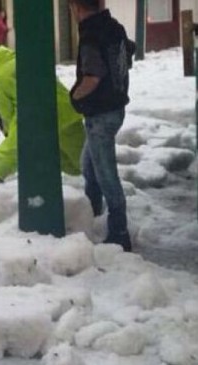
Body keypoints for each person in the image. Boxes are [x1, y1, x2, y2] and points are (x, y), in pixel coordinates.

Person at [69, 0, 135, 252]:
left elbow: (93, 76)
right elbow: (128, 52)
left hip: (101, 115)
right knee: (89, 166)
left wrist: (75, 96)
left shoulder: (91, 35)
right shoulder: (114, 27)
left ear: (76, 7)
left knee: (106, 175)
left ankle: (119, 232)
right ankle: (92, 214)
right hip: (115, 108)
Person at [0, 41, 85, 182]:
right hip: (66, 112)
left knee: (14, 149)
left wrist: (7, 131)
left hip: (39, 117)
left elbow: (6, 112)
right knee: (85, 160)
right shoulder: (22, 60)